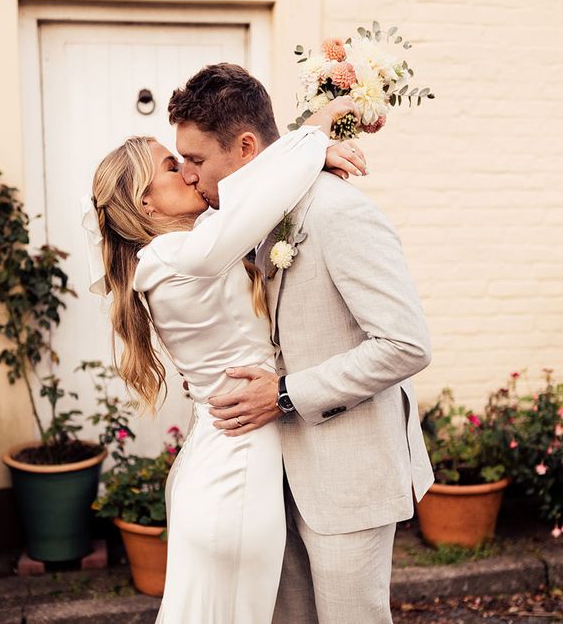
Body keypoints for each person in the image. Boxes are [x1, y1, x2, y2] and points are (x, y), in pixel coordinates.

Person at [85, 92, 366, 623]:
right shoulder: (170, 257)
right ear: (144, 204)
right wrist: (314, 136)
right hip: (235, 475)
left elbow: (251, 199)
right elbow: (254, 201)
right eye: (173, 166)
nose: (190, 175)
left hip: (226, 464)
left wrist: (307, 157)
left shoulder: (189, 246)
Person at [169, 64, 435, 624]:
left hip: (346, 477)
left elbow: (405, 343)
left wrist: (286, 394)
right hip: (268, 484)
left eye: (195, 161)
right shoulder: (247, 222)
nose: (188, 177)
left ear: (244, 147)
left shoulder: (341, 213)